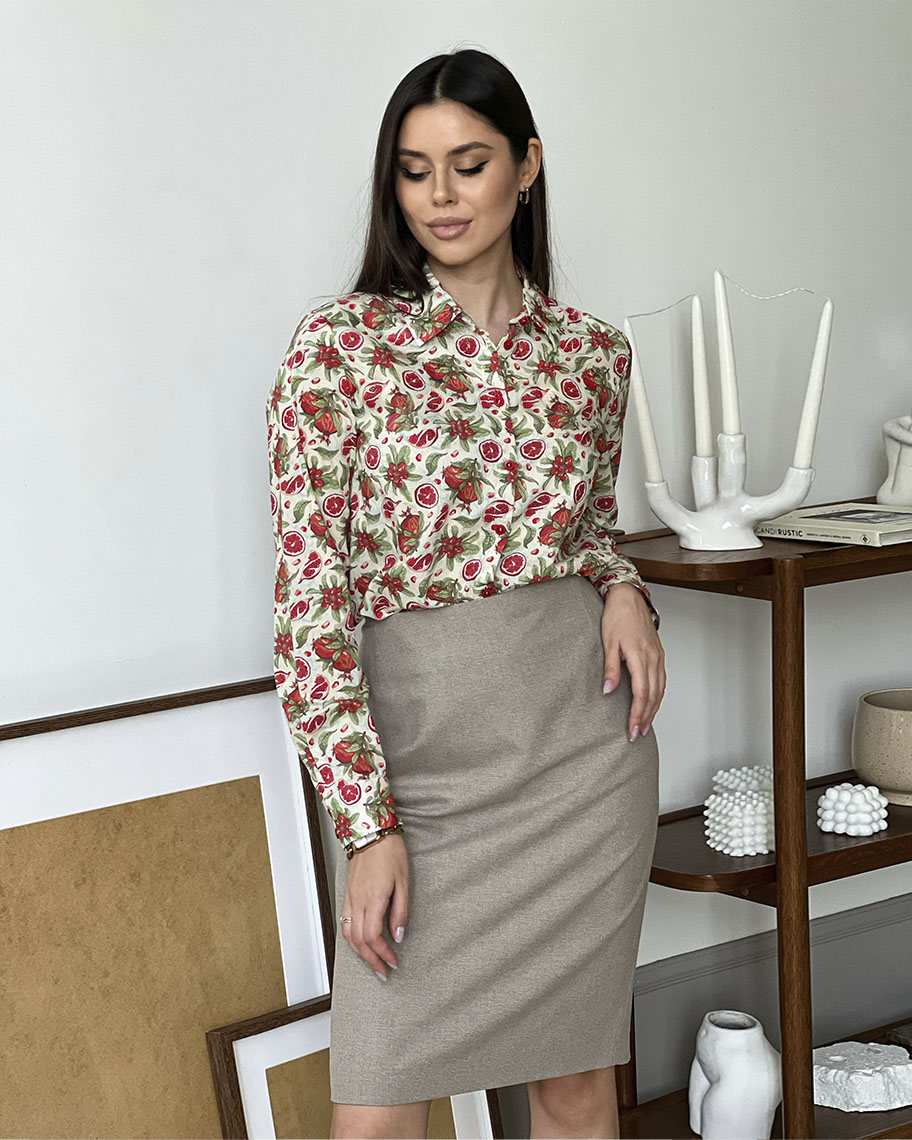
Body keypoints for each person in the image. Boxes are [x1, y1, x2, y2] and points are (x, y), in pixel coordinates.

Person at [266, 48, 666, 1140]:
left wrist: (622, 585)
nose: (440, 196)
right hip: (420, 772)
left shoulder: (593, 356)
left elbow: (585, 528)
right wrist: (367, 826)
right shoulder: (339, 352)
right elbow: (308, 614)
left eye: (470, 164)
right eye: (414, 170)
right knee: (379, 1108)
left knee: (575, 1090)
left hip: (581, 757)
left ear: (527, 167)